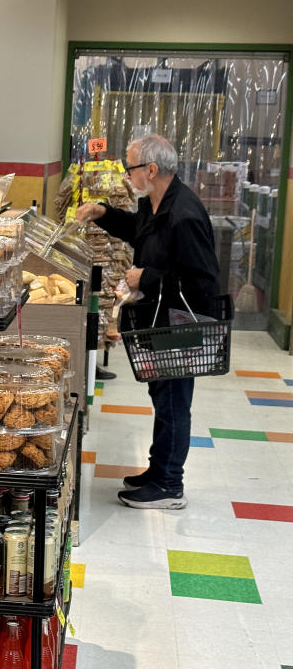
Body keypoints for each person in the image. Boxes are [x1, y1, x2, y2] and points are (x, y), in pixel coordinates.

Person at [76, 134, 220, 509]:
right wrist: (103, 212)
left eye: (131, 168)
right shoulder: (155, 204)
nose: (127, 175)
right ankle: (159, 471)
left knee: (173, 402)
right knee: (163, 397)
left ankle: (170, 485)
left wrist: (148, 278)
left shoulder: (183, 214)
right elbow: (135, 228)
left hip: (179, 322)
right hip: (159, 319)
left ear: (151, 170)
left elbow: (203, 282)